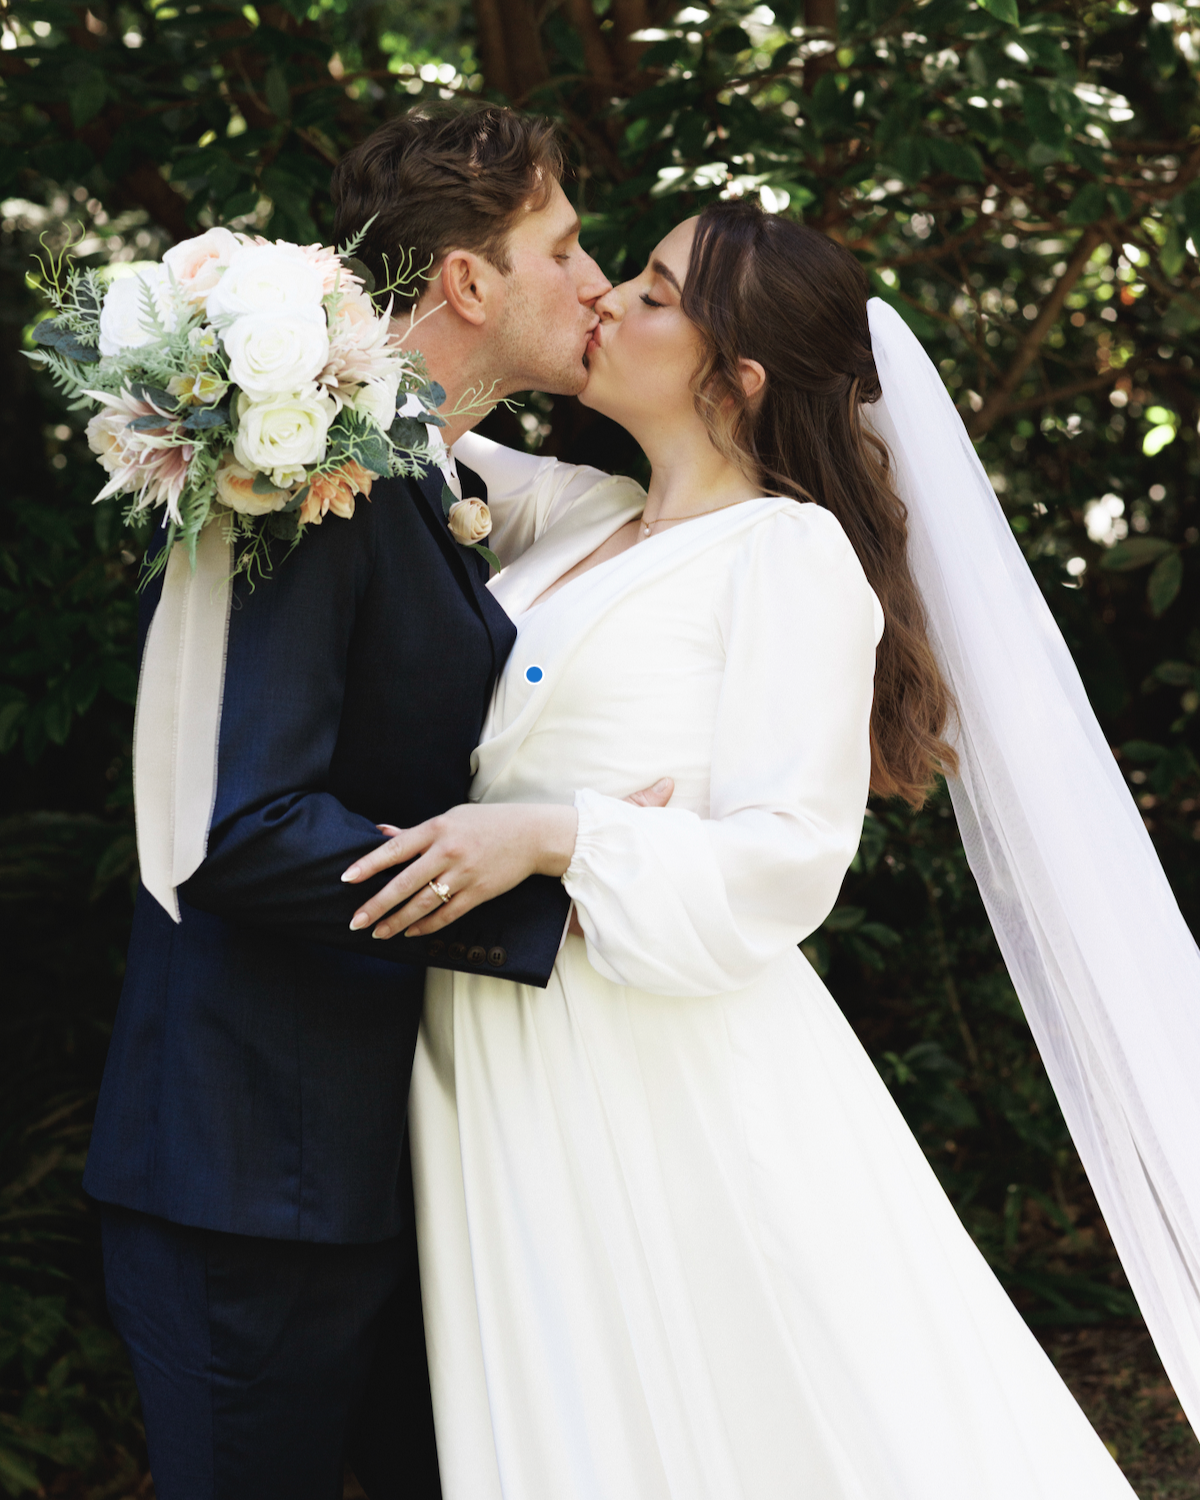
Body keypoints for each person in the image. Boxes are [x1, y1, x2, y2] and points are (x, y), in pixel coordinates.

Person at [343, 198, 1200, 1495]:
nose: (607, 301)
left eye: (652, 291)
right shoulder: (578, 517)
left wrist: (556, 833)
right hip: (506, 1045)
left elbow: (788, 859)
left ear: (733, 381)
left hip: (661, 1064)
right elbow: (398, 429)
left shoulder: (788, 557)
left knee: (767, 1415)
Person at [83, 103, 670, 1500]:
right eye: (567, 246)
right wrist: (552, 884)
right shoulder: (297, 476)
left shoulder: (422, 472)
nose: (598, 282)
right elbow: (236, 828)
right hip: (248, 1180)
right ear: (470, 281)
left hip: (386, 1166)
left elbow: (614, 517)